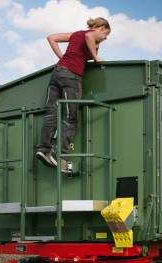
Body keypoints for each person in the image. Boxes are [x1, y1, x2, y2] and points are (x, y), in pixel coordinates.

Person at [35, 17, 111, 174]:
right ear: (102, 28)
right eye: (106, 34)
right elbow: (90, 36)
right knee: (71, 117)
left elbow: (51, 38)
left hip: (57, 73)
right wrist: (96, 57)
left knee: (51, 113)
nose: (105, 38)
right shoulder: (92, 34)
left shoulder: (76, 34)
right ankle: (60, 154)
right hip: (71, 76)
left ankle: (44, 149)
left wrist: (62, 57)